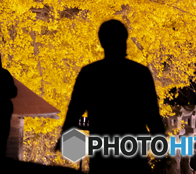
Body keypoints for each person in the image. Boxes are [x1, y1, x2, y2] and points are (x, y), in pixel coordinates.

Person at [60, 20, 166, 173]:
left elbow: (74, 110)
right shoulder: (139, 73)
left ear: (102, 43)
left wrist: (65, 134)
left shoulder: (90, 74)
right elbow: (152, 115)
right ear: (124, 40)